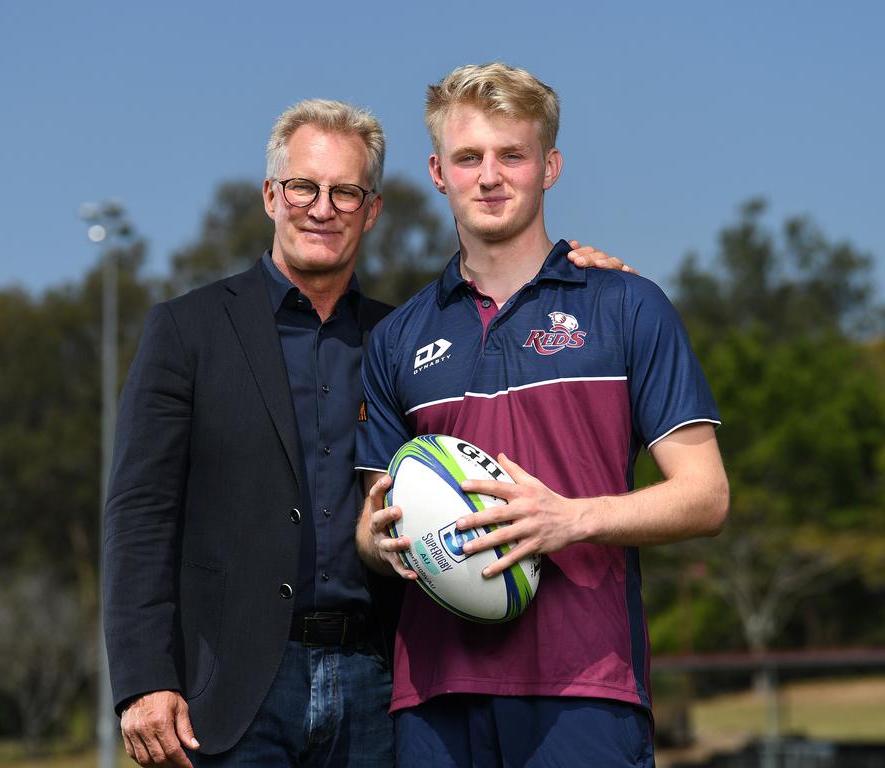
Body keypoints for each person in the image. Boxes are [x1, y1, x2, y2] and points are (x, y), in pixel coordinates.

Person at [104, 96, 628, 768]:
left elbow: (507, 392)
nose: (322, 208)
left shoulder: (407, 337)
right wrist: (146, 679)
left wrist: (591, 288)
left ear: (372, 210)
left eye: (346, 192)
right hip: (232, 696)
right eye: (304, 187)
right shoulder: (187, 331)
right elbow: (139, 516)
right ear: (272, 195)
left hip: (379, 687)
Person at [356, 63, 730, 768]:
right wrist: (382, 540)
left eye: (512, 155)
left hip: (586, 687)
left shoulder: (627, 305)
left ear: (549, 166)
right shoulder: (398, 338)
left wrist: (570, 519)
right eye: (469, 157)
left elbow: (706, 496)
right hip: (434, 697)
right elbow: (368, 532)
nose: (490, 176)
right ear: (439, 172)